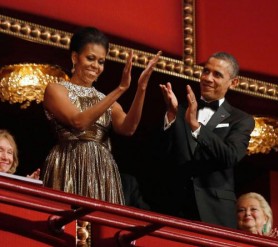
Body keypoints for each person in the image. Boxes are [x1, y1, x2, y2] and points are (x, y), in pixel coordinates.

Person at [42, 27, 160, 205]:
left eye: (101, 61)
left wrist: (141, 88)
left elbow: (128, 128)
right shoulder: (56, 89)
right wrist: (120, 89)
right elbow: (78, 121)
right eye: (90, 58)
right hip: (68, 162)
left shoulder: (105, 100)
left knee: (100, 226)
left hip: (102, 169)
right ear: (75, 57)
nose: (96, 66)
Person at [158, 52, 255, 228]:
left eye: (217, 74)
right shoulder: (179, 111)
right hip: (175, 211)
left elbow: (230, 156)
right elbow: (161, 157)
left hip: (216, 213)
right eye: (205, 71)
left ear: (233, 82)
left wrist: (197, 127)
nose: (207, 78)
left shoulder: (241, 119)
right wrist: (172, 116)